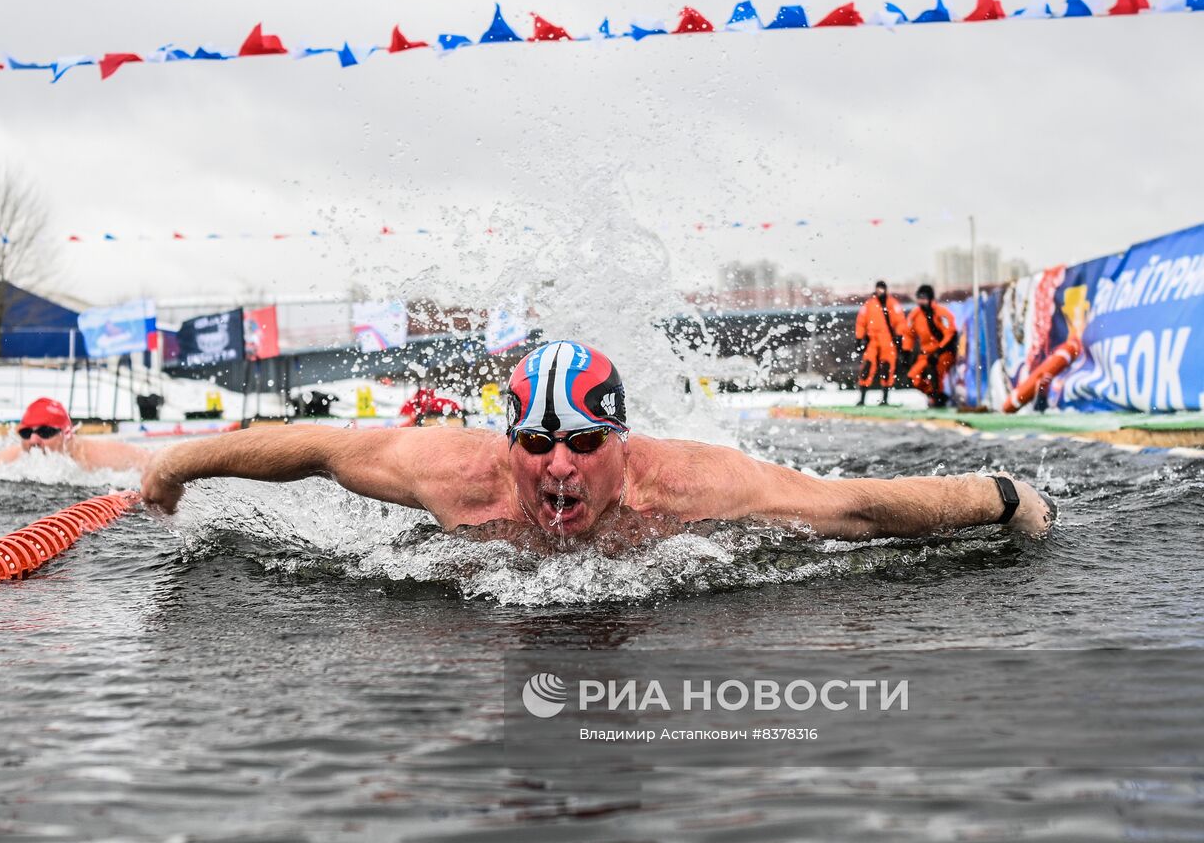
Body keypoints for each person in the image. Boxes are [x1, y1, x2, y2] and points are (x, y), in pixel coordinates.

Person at [141, 341, 1054, 545]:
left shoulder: (695, 485)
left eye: (583, 441)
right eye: (537, 442)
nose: (559, 467)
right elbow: (313, 445)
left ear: (622, 441)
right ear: (507, 442)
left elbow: (851, 507)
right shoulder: (454, 473)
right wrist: (176, 462)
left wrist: (1001, 497)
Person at [0, 397, 152, 472]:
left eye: (44, 432)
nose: (33, 440)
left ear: (67, 434)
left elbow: (151, 463)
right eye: (26, 432)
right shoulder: (11, 459)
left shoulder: (104, 456)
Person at [854, 280, 907, 406]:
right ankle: (862, 398)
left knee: (887, 368)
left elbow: (900, 321)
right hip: (872, 340)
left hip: (887, 340)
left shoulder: (892, 304)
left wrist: (899, 336)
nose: (880, 291)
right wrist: (859, 338)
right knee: (867, 367)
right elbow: (861, 322)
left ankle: (885, 398)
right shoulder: (869, 304)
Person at [904, 284, 958, 408]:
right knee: (913, 378)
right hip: (926, 354)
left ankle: (937, 396)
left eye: (924, 298)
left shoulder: (941, 313)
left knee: (936, 373)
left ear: (930, 298)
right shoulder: (915, 315)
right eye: (919, 298)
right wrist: (906, 351)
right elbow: (908, 334)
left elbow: (950, 334)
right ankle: (936, 395)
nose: (921, 301)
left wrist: (938, 352)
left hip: (943, 352)